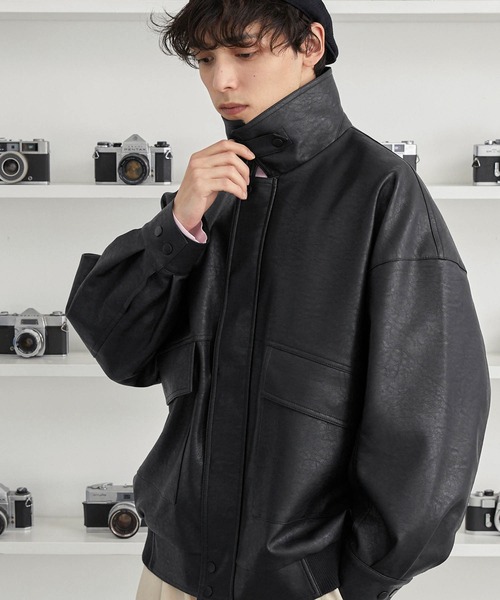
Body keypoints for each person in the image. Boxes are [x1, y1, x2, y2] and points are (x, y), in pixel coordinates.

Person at [66, 1, 490, 599]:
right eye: (205, 59)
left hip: (306, 584)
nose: (221, 81)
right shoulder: (211, 190)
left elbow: (431, 419)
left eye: (244, 53)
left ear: (310, 45)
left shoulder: (382, 192)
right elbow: (121, 351)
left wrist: (359, 579)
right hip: (170, 573)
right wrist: (177, 225)